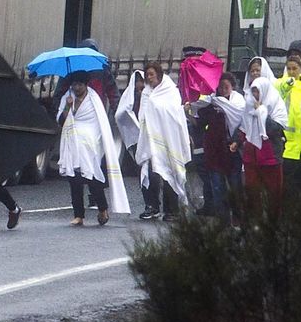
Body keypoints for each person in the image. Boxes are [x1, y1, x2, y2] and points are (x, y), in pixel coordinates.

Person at [57, 70, 129, 226]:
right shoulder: (67, 98)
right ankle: (79, 215)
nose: (76, 88)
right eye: (74, 84)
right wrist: (68, 108)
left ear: (85, 85)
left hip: (89, 144)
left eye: (80, 85)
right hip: (71, 142)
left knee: (92, 178)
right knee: (74, 179)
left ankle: (102, 208)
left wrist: (89, 140)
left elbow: (98, 123)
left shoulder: (93, 99)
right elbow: (62, 121)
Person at [135, 63, 192, 221]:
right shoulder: (147, 93)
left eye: (152, 74)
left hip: (169, 138)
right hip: (150, 138)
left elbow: (173, 113)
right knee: (150, 172)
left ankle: (171, 210)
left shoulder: (170, 91)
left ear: (159, 75)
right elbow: (143, 114)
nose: (149, 77)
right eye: (147, 74)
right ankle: (152, 206)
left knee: (169, 173)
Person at [191, 72, 246, 221]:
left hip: (233, 151)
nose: (223, 90)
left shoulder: (240, 103)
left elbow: (244, 125)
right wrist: (189, 113)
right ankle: (223, 218)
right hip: (215, 152)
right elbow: (199, 121)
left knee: (235, 185)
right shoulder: (212, 103)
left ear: (232, 87)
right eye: (220, 87)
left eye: (226, 87)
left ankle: (238, 216)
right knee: (217, 186)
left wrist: (237, 141)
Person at [235, 77, 288, 220]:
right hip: (251, 156)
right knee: (252, 191)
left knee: (274, 192)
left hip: (270, 156)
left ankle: (274, 221)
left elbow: (277, 129)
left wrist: (262, 114)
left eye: (258, 92)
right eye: (253, 92)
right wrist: (236, 141)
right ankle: (255, 221)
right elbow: (243, 126)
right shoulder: (249, 106)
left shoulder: (275, 104)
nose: (256, 96)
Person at [275, 55, 301, 211]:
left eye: (295, 68)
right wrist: (286, 87)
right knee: (287, 188)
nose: (292, 72)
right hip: (287, 147)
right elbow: (276, 99)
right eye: (289, 68)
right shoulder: (280, 84)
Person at [53, 38, 119, 114]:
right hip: (95, 110)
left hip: (84, 111)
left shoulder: (71, 68)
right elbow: (113, 92)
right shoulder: (102, 68)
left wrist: (57, 112)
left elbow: (59, 93)